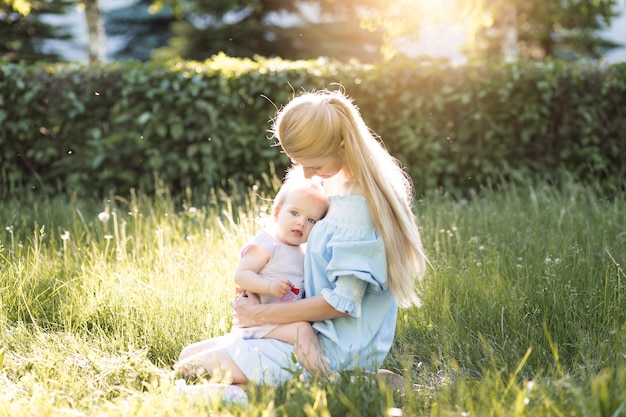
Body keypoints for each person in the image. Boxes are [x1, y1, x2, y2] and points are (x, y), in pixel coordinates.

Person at [174, 88, 428, 387]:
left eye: (314, 165)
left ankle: (340, 381)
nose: (307, 175)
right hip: (306, 329)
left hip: (331, 346)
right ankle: (357, 381)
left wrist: (261, 315)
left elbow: (340, 303)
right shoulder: (330, 182)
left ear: (343, 145)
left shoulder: (357, 208)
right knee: (188, 356)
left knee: (193, 371)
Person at [175, 166, 330, 379]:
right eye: (294, 213)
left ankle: (321, 375)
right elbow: (242, 274)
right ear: (277, 212)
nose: (301, 222)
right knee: (302, 330)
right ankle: (325, 379)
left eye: (311, 219)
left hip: (276, 322)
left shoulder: (303, 251)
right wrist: (269, 286)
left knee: (302, 330)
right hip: (261, 319)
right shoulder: (268, 243)